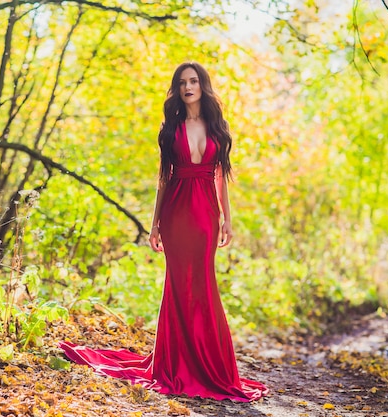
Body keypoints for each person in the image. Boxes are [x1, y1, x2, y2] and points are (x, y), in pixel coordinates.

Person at [59, 62, 269, 402]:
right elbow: (164, 179)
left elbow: (220, 178)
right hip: (176, 213)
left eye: (194, 81)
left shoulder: (217, 127)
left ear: (203, 86)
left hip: (206, 214)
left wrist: (228, 219)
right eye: (182, 82)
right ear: (177, 88)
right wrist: (154, 223)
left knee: (202, 284)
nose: (188, 87)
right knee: (178, 284)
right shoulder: (171, 130)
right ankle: (176, 365)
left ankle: (209, 365)